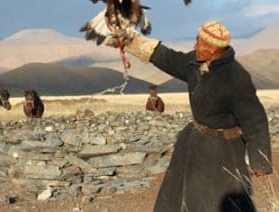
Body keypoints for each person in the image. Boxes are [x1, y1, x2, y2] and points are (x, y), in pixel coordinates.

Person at [106, 20, 272, 212]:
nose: (195, 46)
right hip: (193, 142)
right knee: (176, 197)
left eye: (200, 43)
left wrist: (260, 160)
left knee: (217, 202)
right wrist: (131, 41)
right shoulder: (194, 63)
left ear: (214, 49)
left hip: (223, 151)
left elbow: (255, 118)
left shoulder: (236, 77)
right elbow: (167, 58)